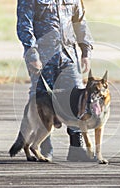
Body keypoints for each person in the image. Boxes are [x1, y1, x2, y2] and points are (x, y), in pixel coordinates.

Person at [16, 0, 94, 162]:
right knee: (42, 99)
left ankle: (76, 149)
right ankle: (44, 147)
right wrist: (31, 54)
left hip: (68, 54)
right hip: (43, 55)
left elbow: (80, 22)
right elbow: (25, 24)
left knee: (76, 98)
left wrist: (85, 51)